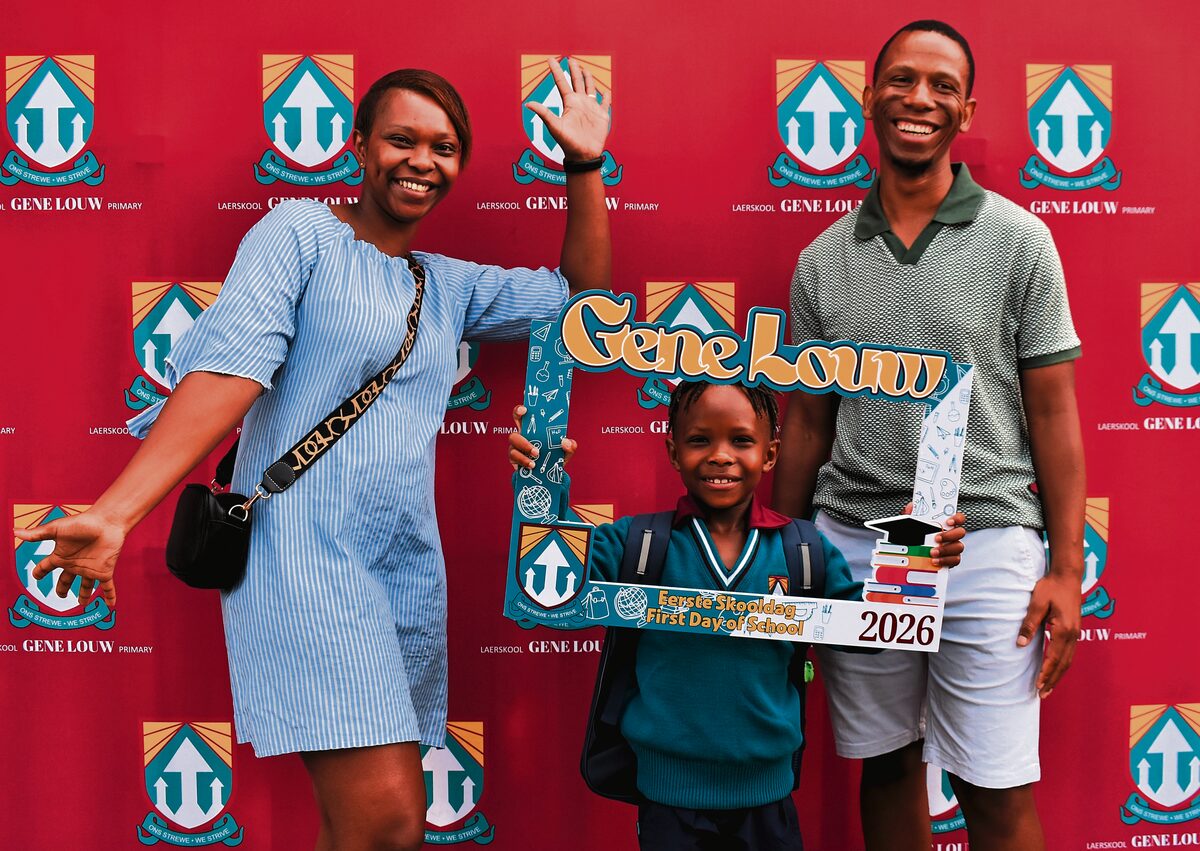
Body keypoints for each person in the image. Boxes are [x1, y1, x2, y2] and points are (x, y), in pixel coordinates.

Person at [14, 61, 611, 851]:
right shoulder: (298, 234)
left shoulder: (449, 285)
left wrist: (584, 165)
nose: (421, 162)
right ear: (360, 144)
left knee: (363, 828)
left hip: (402, 564)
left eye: (443, 147)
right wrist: (121, 511)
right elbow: (229, 370)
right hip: (302, 556)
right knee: (393, 819)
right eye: (401, 139)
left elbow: (582, 302)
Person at [772, 20, 1085, 851]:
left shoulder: (1021, 240)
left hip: (983, 545)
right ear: (869, 97)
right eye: (903, 80)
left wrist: (1066, 567)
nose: (921, 99)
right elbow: (806, 420)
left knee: (996, 788)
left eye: (942, 85)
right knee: (887, 766)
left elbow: (1053, 412)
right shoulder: (820, 260)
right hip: (857, 541)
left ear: (967, 108)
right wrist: (789, 553)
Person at [510, 380, 966, 849]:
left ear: (770, 454)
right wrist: (541, 477)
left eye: (741, 441)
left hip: (767, 797)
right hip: (668, 799)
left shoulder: (804, 550)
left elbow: (870, 628)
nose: (721, 455)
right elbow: (547, 574)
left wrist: (919, 556)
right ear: (672, 451)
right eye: (700, 439)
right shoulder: (638, 544)